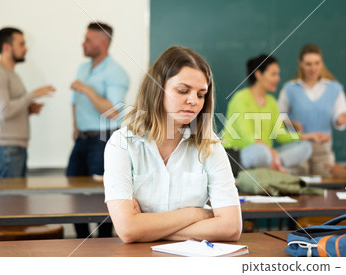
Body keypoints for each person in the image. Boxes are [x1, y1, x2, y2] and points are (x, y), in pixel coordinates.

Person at [103, 46, 242, 243]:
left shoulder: (210, 146)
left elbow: (231, 228)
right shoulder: (121, 144)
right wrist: (197, 214)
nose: (193, 100)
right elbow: (127, 230)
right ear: (157, 88)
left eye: (201, 94)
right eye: (183, 90)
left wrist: (145, 229)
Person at [67, 22, 129, 238]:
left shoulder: (117, 73)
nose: (82, 43)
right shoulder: (83, 68)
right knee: (73, 188)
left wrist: (85, 88)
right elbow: (74, 101)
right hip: (82, 140)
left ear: (103, 43)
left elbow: (112, 111)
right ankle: (82, 240)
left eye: (88, 40)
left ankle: (103, 243)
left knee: (102, 196)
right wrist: (75, 127)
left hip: (104, 139)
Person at [0, 27, 55, 178]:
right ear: (6, 47)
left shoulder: (12, 74)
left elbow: (9, 108)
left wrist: (28, 110)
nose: (26, 48)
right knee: (8, 201)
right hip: (6, 151)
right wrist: (32, 95)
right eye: (21, 44)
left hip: (14, 149)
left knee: (16, 201)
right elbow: (3, 112)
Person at [222, 54, 314, 173]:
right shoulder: (240, 98)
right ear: (259, 74)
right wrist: (272, 154)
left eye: (278, 74)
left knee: (306, 147)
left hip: (267, 155)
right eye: (273, 74)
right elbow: (248, 136)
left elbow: (279, 134)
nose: (278, 79)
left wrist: (306, 136)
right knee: (261, 152)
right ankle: (275, 166)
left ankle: (272, 166)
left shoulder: (272, 102)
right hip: (241, 154)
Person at [278, 44, 346, 176]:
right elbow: (279, 116)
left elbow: (340, 117)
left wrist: (341, 120)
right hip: (297, 148)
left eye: (317, 63)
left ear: (322, 63)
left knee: (328, 183)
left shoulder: (334, 88)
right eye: (308, 64)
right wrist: (291, 123)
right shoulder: (290, 88)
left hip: (323, 149)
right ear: (300, 63)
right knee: (297, 184)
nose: (313, 68)